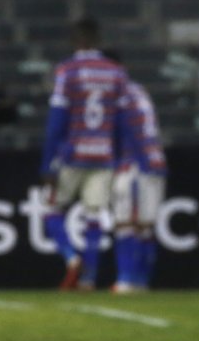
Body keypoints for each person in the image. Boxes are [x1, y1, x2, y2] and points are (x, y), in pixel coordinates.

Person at [40, 18, 131, 290]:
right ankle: (89, 279)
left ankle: (70, 258)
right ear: (97, 39)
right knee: (94, 215)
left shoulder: (67, 71)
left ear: (75, 41)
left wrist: (47, 164)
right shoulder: (115, 72)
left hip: (73, 155)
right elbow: (122, 122)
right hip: (103, 156)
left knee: (51, 209)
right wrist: (117, 155)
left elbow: (57, 120)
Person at [105, 51, 167, 293]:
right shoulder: (138, 91)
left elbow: (123, 131)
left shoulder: (117, 94)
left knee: (125, 223)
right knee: (145, 225)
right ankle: (141, 281)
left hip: (134, 163)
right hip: (154, 160)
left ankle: (126, 279)